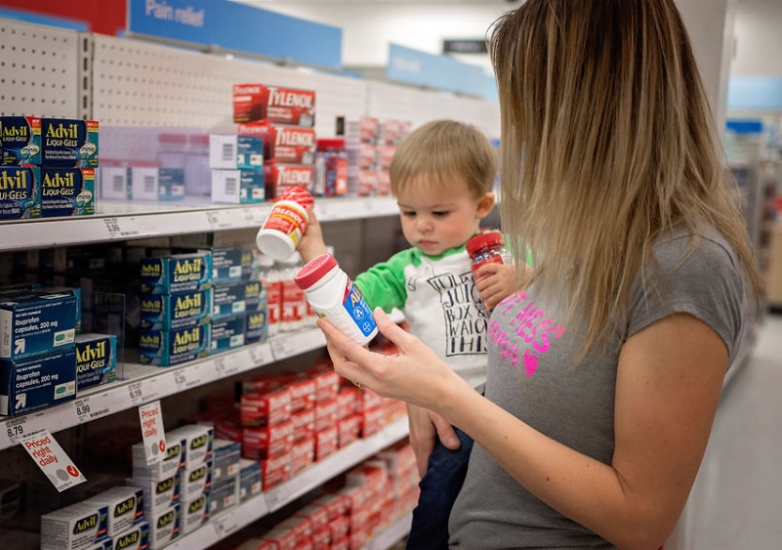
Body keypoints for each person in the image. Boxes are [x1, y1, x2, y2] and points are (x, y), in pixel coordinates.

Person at [316, 1, 762, 549]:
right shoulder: (590, 236)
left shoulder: (684, 265)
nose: (523, 133)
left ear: (591, 109)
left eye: (530, 106)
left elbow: (640, 519)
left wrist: (452, 399)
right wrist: (429, 390)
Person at [297, 119, 518, 549]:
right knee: (435, 512)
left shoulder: (510, 251)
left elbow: (563, 286)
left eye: (439, 213)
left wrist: (522, 278)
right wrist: (314, 253)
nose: (421, 227)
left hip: (513, 405)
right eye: (408, 212)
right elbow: (350, 306)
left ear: (482, 203)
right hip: (448, 415)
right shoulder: (405, 268)